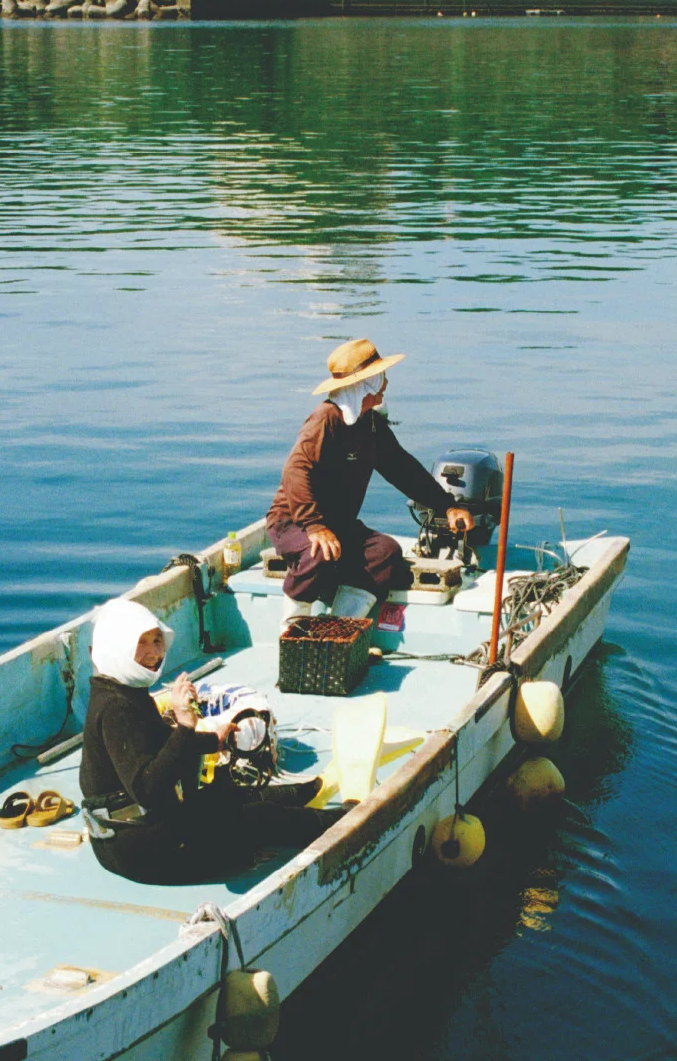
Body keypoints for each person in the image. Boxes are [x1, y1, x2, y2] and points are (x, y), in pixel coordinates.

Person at [80, 597, 341, 885]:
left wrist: (211, 742)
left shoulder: (119, 690)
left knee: (226, 794)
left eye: (157, 640)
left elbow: (155, 746)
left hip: (132, 835)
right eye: (141, 642)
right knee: (258, 818)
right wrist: (185, 725)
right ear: (113, 648)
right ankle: (341, 823)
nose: (154, 653)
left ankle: (301, 793)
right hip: (144, 852)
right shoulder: (117, 708)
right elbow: (148, 788)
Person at [267, 338, 476, 626]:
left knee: (384, 552)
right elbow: (296, 471)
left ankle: (339, 628)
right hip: (295, 521)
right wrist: (314, 525)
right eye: (380, 377)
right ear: (364, 383)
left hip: (336, 524)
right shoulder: (325, 419)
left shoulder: (371, 424)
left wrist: (447, 506)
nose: (386, 383)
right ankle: (292, 629)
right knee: (319, 553)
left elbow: (403, 468)